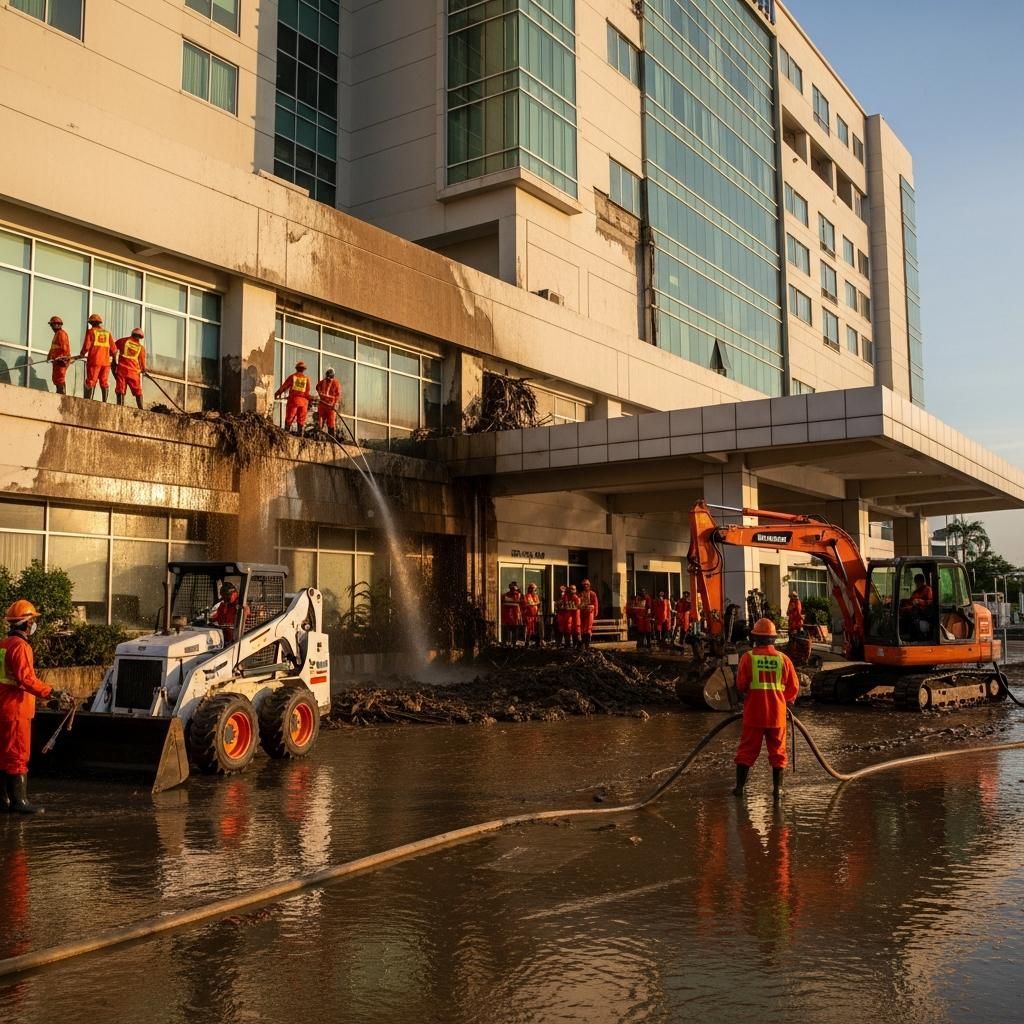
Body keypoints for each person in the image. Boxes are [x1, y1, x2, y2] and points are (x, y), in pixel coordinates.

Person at [733, 617, 800, 800]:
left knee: (746, 751)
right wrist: (782, 701)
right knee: (778, 752)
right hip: (777, 715)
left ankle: (740, 788)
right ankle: (778, 790)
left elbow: (741, 685)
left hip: (754, 713)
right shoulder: (783, 659)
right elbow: (793, 688)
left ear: (755, 638)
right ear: (773, 639)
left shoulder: (748, 658)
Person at [0, 600, 56, 814]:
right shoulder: (21, 647)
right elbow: (26, 679)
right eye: (32, 620)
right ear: (26, 623)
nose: (34, 624)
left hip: (3, 707)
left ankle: (3, 800)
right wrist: (51, 693)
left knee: (3, 755)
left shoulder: (3, 644)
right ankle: (19, 802)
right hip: (16, 710)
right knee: (17, 754)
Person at [80, 312, 116, 401]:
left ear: (91, 323)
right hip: (106, 363)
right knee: (104, 382)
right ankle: (105, 402)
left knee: (91, 380)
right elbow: (114, 350)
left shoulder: (91, 332)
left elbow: (86, 346)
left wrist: (82, 353)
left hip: (94, 361)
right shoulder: (107, 334)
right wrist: (106, 354)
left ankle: (89, 401)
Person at [275, 360, 312, 435]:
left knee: (289, 417)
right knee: (301, 420)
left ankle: (285, 434)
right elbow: (307, 392)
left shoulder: (292, 377)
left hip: (294, 400)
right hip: (304, 402)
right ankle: (300, 435)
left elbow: (284, 386)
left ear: (297, 368)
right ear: (303, 370)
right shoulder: (306, 379)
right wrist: (309, 401)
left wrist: (277, 393)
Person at [113, 327, 146, 409]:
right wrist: (143, 370)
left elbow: (113, 348)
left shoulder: (123, 341)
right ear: (140, 337)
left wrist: (113, 360)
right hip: (134, 372)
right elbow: (142, 362)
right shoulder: (141, 348)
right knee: (138, 391)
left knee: (120, 389)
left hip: (122, 370)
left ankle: (120, 407)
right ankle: (141, 409)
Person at [46, 315, 71, 395]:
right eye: (51, 325)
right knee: (56, 378)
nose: (51, 327)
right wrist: (49, 356)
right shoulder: (56, 334)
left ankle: (62, 394)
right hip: (56, 361)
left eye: (52, 325)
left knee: (60, 377)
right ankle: (59, 392)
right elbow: (53, 348)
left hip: (61, 360)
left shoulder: (61, 334)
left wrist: (62, 357)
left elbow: (64, 347)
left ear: (58, 325)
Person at [316, 367, 341, 437]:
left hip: (330, 406)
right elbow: (317, 387)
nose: (328, 379)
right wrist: (320, 394)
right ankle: (318, 436)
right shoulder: (323, 382)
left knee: (331, 422)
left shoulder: (336, 383)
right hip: (323, 405)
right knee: (320, 421)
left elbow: (338, 395)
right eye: (327, 377)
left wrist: (335, 404)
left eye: (329, 377)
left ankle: (331, 438)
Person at [577, 578, 599, 649]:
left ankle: (587, 643)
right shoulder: (580, 594)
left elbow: (595, 604)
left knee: (588, 628)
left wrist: (595, 612)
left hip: (590, 613)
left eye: (587, 584)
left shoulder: (592, 594)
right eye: (584, 584)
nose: (586, 586)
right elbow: (578, 603)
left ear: (589, 585)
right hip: (582, 613)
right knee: (583, 628)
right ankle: (583, 643)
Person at [520, 582, 541, 647]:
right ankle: (527, 642)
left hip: (535, 615)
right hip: (528, 615)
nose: (534, 591)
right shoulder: (526, 596)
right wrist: (535, 604)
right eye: (533, 589)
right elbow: (527, 604)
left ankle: (537, 643)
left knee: (537, 629)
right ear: (530, 589)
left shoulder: (536, 596)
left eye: (535, 589)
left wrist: (538, 610)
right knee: (528, 629)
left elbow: (538, 604)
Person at [566, 584, 582, 648]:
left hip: (576, 617)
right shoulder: (568, 598)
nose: (571, 590)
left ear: (575, 590)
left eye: (573, 589)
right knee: (572, 631)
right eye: (570, 589)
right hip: (571, 618)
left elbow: (577, 607)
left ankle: (579, 645)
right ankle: (574, 645)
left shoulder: (577, 598)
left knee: (577, 631)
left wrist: (569, 608)